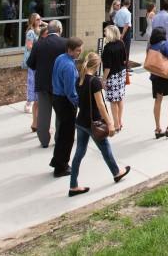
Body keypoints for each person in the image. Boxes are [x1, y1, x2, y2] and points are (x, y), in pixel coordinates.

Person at [67, 52, 131, 196]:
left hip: (81, 121)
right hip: (93, 122)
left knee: (79, 153)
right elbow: (101, 105)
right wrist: (110, 123)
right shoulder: (94, 81)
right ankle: (116, 172)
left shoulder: (80, 80)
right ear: (97, 65)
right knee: (105, 148)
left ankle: (73, 185)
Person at [25, 19, 64, 147]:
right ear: (59, 30)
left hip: (42, 84)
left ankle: (44, 141)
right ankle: (59, 138)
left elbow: (30, 63)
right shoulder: (65, 43)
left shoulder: (38, 44)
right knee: (60, 113)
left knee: (43, 114)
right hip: (60, 85)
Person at [50, 36, 84, 177]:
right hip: (66, 102)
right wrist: (80, 104)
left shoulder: (60, 58)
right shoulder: (69, 66)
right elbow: (70, 92)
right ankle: (61, 166)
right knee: (67, 136)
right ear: (69, 50)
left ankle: (57, 161)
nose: (79, 53)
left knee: (62, 133)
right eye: (77, 51)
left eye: (80, 50)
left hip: (57, 98)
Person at [101, 25, 129, 131]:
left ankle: (116, 124)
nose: (104, 34)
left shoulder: (107, 48)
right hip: (121, 73)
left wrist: (103, 80)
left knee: (113, 101)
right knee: (120, 98)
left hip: (112, 76)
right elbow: (124, 60)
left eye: (105, 32)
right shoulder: (121, 44)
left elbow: (107, 68)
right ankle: (120, 121)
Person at [22, 13, 43, 124]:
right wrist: (39, 47)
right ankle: (28, 103)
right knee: (32, 81)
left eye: (40, 19)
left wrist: (42, 22)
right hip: (33, 60)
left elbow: (52, 26)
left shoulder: (39, 29)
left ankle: (30, 102)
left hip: (38, 59)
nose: (40, 21)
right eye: (38, 19)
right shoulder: (31, 32)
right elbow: (29, 46)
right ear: (33, 21)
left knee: (35, 81)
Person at [113, 0, 132, 65]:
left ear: (123, 3)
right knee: (126, 48)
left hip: (118, 29)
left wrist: (117, 33)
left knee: (119, 47)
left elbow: (115, 23)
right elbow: (126, 25)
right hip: (126, 31)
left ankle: (119, 63)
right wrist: (122, 35)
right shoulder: (128, 13)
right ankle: (125, 66)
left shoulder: (118, 12)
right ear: (129, 4)